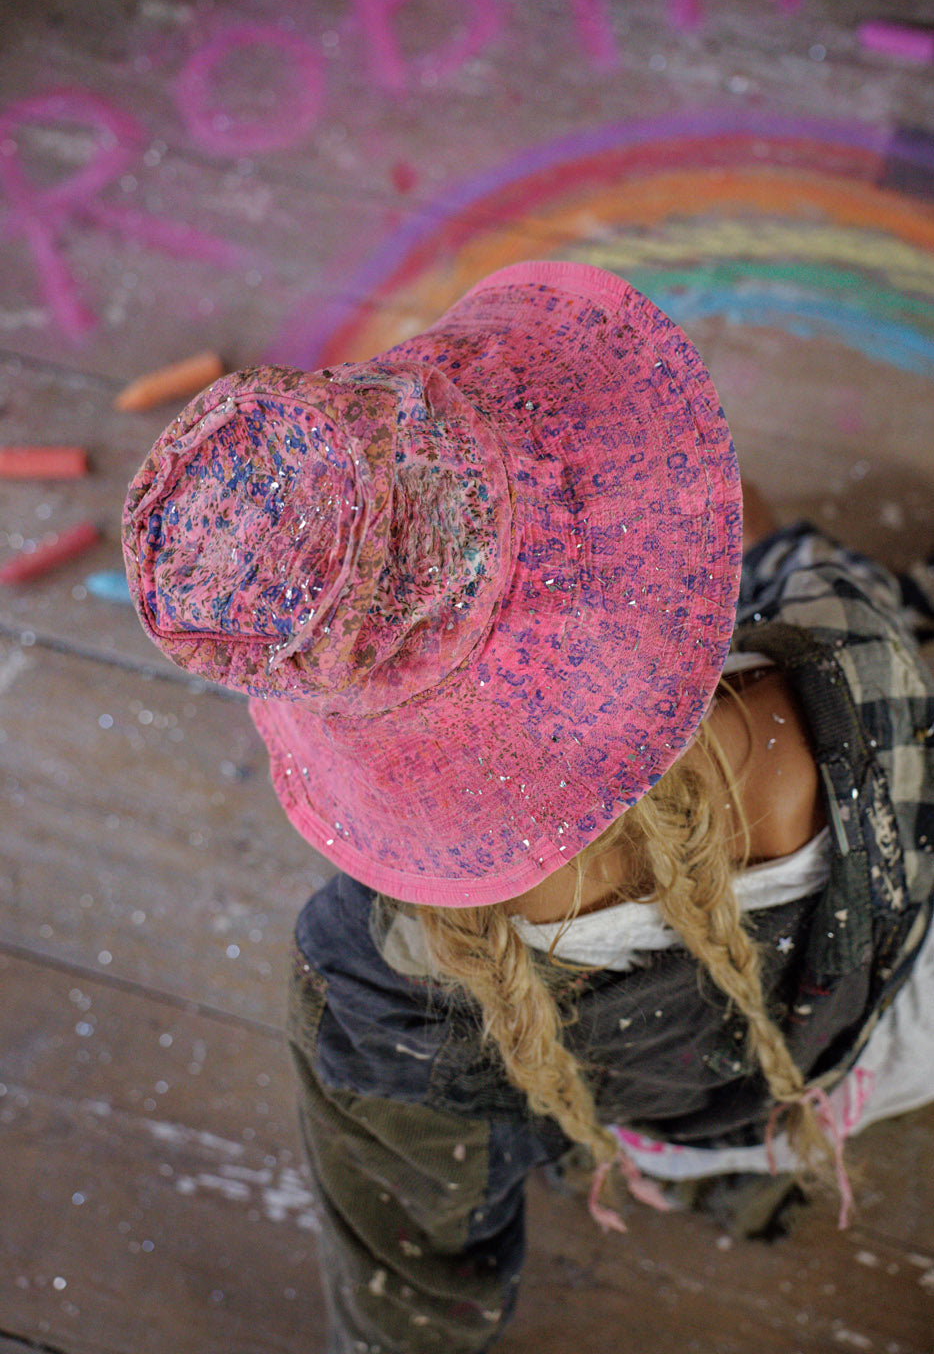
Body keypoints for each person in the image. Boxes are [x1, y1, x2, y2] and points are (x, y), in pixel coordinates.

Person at [122, 261, 934, 1354]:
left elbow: (408, 1285)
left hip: (662, 1129)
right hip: (877, 1045)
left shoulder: (377, 986)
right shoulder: (847, 659)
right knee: (783, 545)